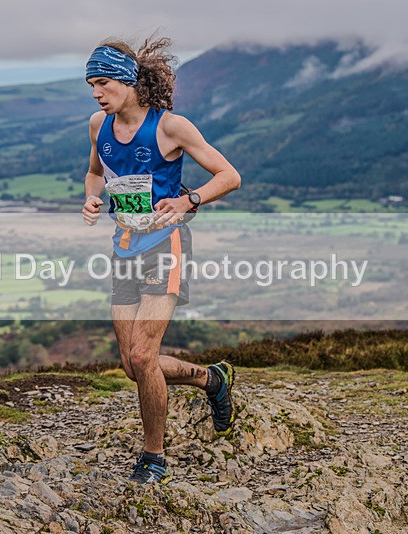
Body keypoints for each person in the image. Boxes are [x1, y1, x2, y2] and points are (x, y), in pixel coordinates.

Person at [82, 36, 241, 485]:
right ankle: (213, 379)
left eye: (104, 82)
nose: (97, 92)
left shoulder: (172, 128)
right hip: (124, 247)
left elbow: (229, 175)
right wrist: (93, 201)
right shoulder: (99, 125)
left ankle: (154, 457)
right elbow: (96, 173)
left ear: (129, 80)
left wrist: (190, 199)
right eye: (92, 84)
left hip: (166, 246)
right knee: (133, 366)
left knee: (142, 352)